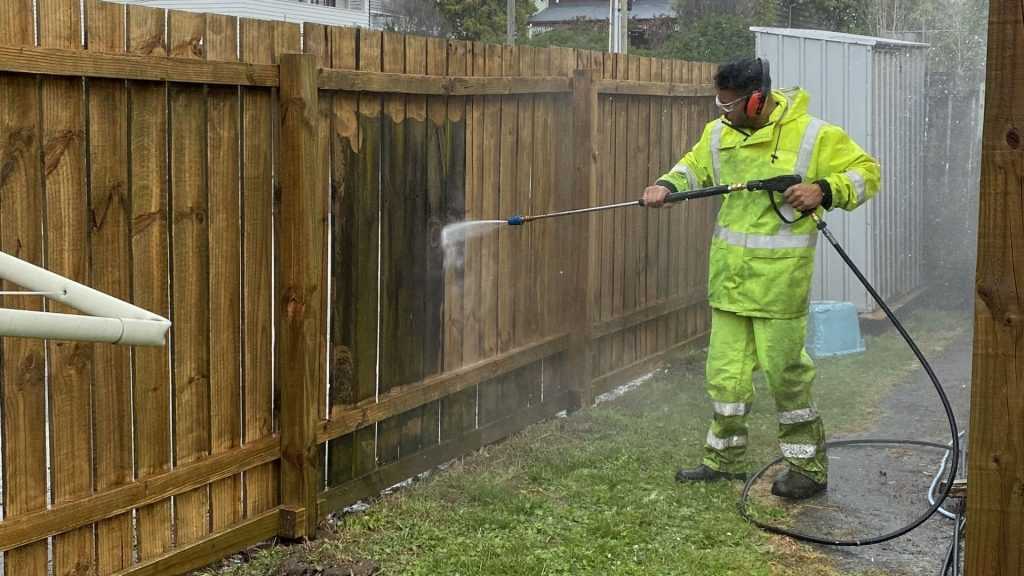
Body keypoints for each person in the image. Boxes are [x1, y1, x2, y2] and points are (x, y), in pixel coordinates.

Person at [643, 57, 880, 499]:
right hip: (730, 283)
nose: (721, 111)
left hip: (780, 285)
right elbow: (692, 167)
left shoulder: (814, 134)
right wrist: (666, 185)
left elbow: (866, 174)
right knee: (725, 380)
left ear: (756, 99)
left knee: (787, 376)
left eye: (729, 104)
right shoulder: (718, 135)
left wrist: (823, 190)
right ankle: (724, 459)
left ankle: (806, 468)